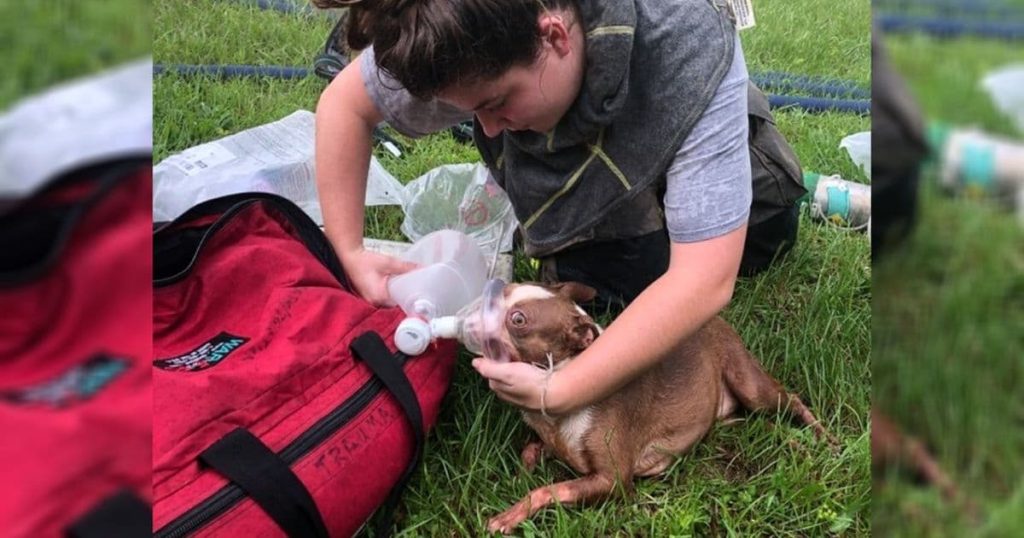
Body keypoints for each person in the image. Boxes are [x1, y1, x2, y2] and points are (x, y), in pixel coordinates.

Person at [313, 0, 804, 416]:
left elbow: (703, 279)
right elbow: (345, 106)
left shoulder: (686, 42)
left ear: (555, 37)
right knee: (608, 283)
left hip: (715, 147)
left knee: (762, 232)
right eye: (471, 110)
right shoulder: (458, 31)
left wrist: (563, 389)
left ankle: (731, 168)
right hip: (592, 173)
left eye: (497, 102)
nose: (484, 130)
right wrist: (350, 252)